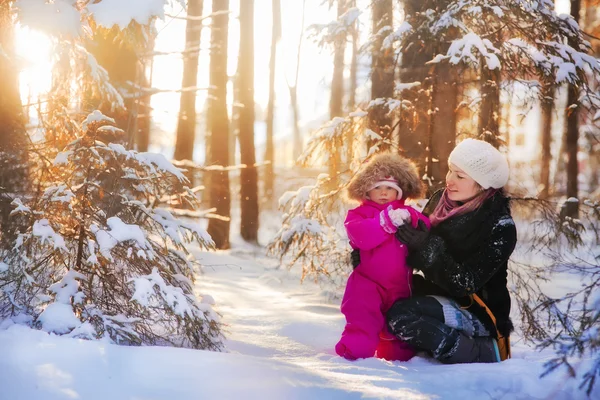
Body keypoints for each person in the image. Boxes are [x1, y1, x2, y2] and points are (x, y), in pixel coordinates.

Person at [383, 138, 517, 364]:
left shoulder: (500, 226)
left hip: (477, 310)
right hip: (440, 293)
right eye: (450, 171)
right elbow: (411, 247)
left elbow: (464, 283)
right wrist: (372, 255)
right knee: (385, 295)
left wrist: (427, 246)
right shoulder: (441, 201)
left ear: (483, 184)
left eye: (460, 176)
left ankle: (479, 351)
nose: (450, 181)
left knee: (401, 316)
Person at [335, 153, 431, 361]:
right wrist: (384, 222)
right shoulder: (359, 215)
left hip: (399, 285)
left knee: (396, 335)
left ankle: (397, 356)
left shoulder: (406, 211)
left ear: (400, 192)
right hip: (366, 283)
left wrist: (411, 217)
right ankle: (353, 352)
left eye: (389, 188)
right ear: (366, 190)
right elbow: (361, 237)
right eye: (378, 187)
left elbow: (426, 225)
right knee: (363, 320)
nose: (384, 193)